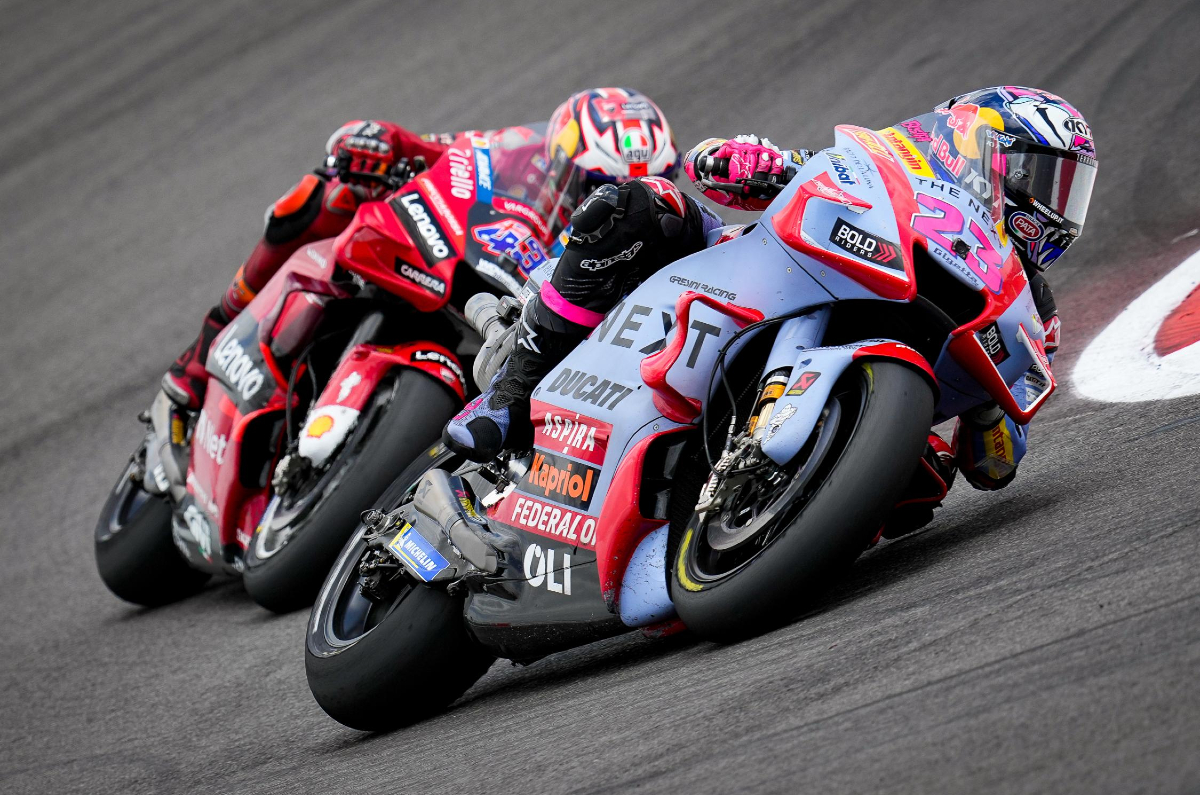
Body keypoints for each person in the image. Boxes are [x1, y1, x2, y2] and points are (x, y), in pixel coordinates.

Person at [443, 86, 1097, 505]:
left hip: (860, 397)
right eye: (1043, 176)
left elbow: (996, 466)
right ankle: (509, 397)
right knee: (639, 205)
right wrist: (752, 163)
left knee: (919, 489)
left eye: (1069, 189)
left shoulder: (1029, 309)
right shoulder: (905, 181)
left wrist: (989, 410)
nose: (1054, 205)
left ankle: (756, 515)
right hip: (738, 283)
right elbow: (712, 167)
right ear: (984, 154)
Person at [161, 87, 681, 410]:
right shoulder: (518, 156)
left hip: (512, 341)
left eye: (628, 194)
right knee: (329, 194)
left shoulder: (642, 254)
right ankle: (208, 340)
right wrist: (385, 143)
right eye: (596, 185)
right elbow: (441, 149)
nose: (610, 206)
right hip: (445, 266)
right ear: (560, 161)